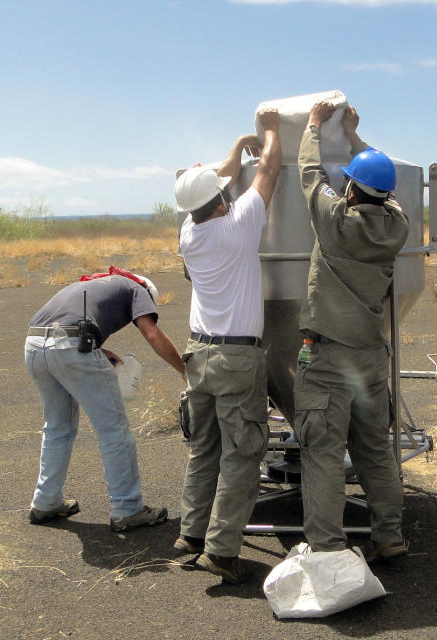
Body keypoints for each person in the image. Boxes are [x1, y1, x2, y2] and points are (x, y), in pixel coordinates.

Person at [293, 101, 410, 562]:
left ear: (352, 192)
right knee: (375, 452)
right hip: (370, 358)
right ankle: (389, 537)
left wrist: (313, 127)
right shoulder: (397, 225)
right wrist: (356, 137)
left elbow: (308, 174)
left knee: (323, 454)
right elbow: (385, 184)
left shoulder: (337, 221)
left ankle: (327, 549)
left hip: (327, 360)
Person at [173, 108, 281, 584]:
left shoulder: (188, 234)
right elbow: (271, 171)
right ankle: (221, 550)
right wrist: (271, 129)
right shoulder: (239, 226)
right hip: (237, 357)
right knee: (242, 453)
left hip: (198, 353)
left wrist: (237, 147)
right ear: (220, 199)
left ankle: (190, 535)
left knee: (204, 449)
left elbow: (214, 182)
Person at [25, 267, 183, 532]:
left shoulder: (94, 285)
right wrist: (184, 370)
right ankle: (128, 508)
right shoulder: (137, 289)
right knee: (114, 430)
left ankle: (46, 501)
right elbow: (152, 333)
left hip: (34, 344)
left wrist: (98, 348)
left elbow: (64, 322)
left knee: (57, 427)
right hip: (71, 345)